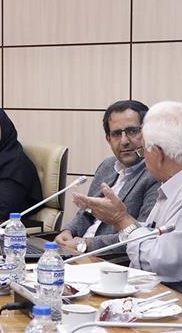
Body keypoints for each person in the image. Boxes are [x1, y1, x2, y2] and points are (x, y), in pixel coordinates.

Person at [72, 101, 182, 294]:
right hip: (154, 290)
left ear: (158, 154)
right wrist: (126, 222)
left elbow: (167, 267)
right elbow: (152, 234)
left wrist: (122, 220)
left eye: (143, 148)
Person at [55, 100, 159, 253]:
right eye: (116, 134)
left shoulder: (155, 174)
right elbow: (88, 212)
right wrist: (68, 231)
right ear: (108, 139)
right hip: (76, 251)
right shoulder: (107, 166)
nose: (124, 141)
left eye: (132, 131)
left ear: (147, 133)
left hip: (109, 259)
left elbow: (144, 235)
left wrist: (86, 245)